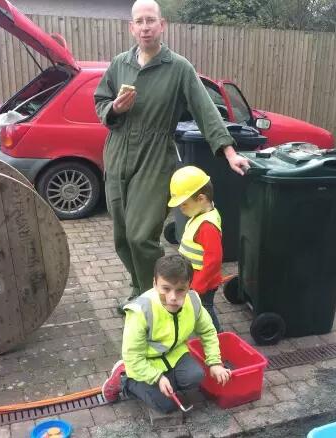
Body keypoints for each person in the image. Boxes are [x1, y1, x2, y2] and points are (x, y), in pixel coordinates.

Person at [94, 0, 249, 310]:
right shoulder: (119, 63)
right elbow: (101, 101)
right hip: (117, 153)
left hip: (155, 157)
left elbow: (205, 110)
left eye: (151, 20)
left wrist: (229, 151)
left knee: (141, 237)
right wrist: (114, 108)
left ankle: (157, 299)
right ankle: (140, 288)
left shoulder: (178, 68)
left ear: (162, 25)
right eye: (139, 21)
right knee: (122, 237)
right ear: (132, 27)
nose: (145, 27)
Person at [101, 254, 231, 413]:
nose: (173, 298)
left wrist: (215, 363)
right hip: (146, 362)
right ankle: (123, 378)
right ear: (155, 284)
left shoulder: (193, 301)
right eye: (166, 289)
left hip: (175, 355)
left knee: (195, 376)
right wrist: (157, 378)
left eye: (180, 290)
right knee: (166, 405)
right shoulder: (140, 311)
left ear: (189, 286)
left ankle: (164, 383)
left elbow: (208, 331)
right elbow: (133, 356)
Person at [168, 166, 223, 332]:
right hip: (194, 278)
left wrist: (199, 284)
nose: (180, 208)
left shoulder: (207, 226)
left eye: (184, 204)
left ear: (200, 199)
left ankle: (217, 337)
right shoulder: (201, 214)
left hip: (203, 282)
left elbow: (214, 260)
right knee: (198, 308)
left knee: (205, 310)